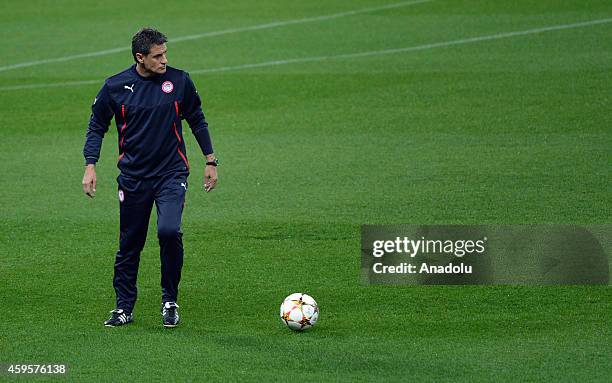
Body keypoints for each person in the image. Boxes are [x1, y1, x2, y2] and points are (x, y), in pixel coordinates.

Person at [82, 27, 218, 328]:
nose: (164, 60)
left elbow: (196, 118)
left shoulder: (179, 81)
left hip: (172, 173)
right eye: (157, 56)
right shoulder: (115, 86)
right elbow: (96, 126)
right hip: (133, 178)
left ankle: (170, 299)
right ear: (139, 57)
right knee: (130, 243)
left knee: (169, 231)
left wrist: (210, 159)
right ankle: (123, 307)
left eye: (166, 53)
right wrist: (90, 164)